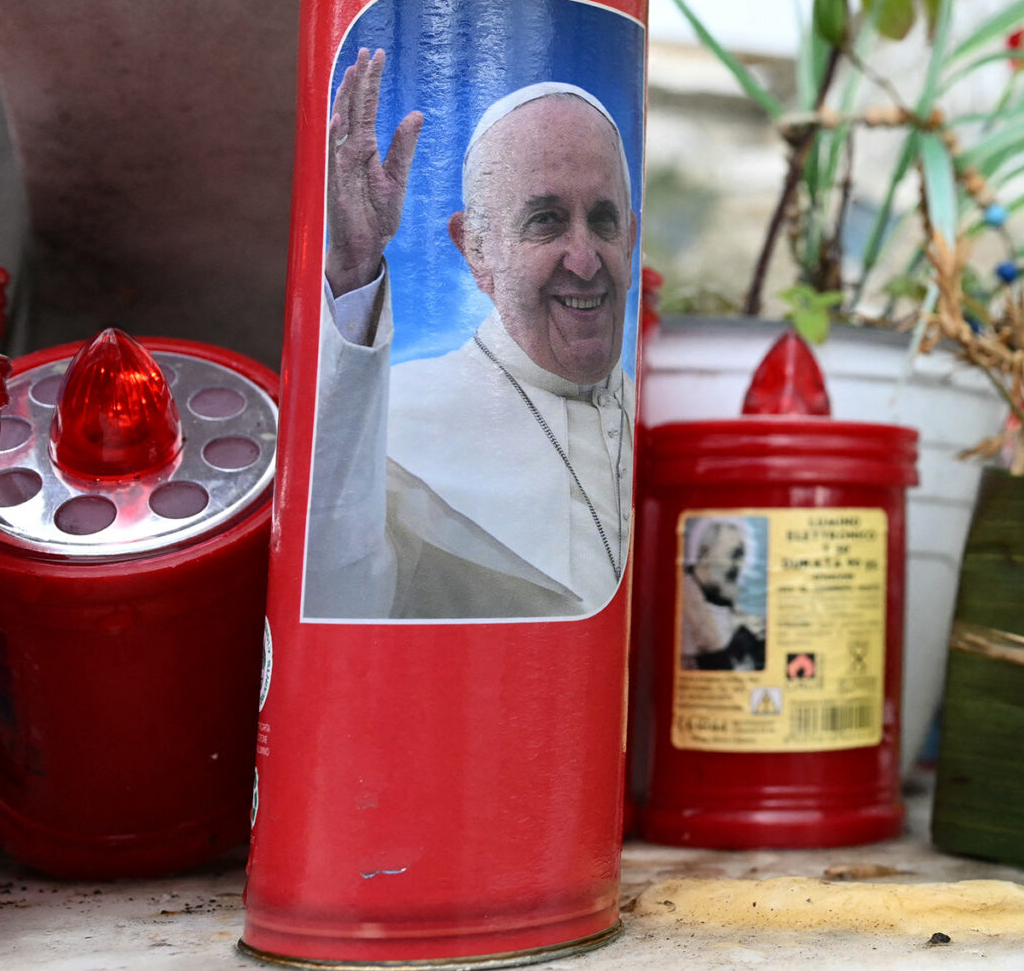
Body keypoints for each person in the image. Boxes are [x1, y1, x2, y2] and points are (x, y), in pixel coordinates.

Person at [305, 49, 639, 621]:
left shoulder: (656, 414)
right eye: (546, 221)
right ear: (476, 250)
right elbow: (338, 600)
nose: (585, 260)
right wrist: (353, 269)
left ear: (631, 237)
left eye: (604, 221)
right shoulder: (398, 418)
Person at [679, 518, 767, 672]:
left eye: (742, 557)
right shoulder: (682, 600)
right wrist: (743, 641)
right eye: (734, 554)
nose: (740, 565)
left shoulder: (725, 601)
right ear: (705, 553)